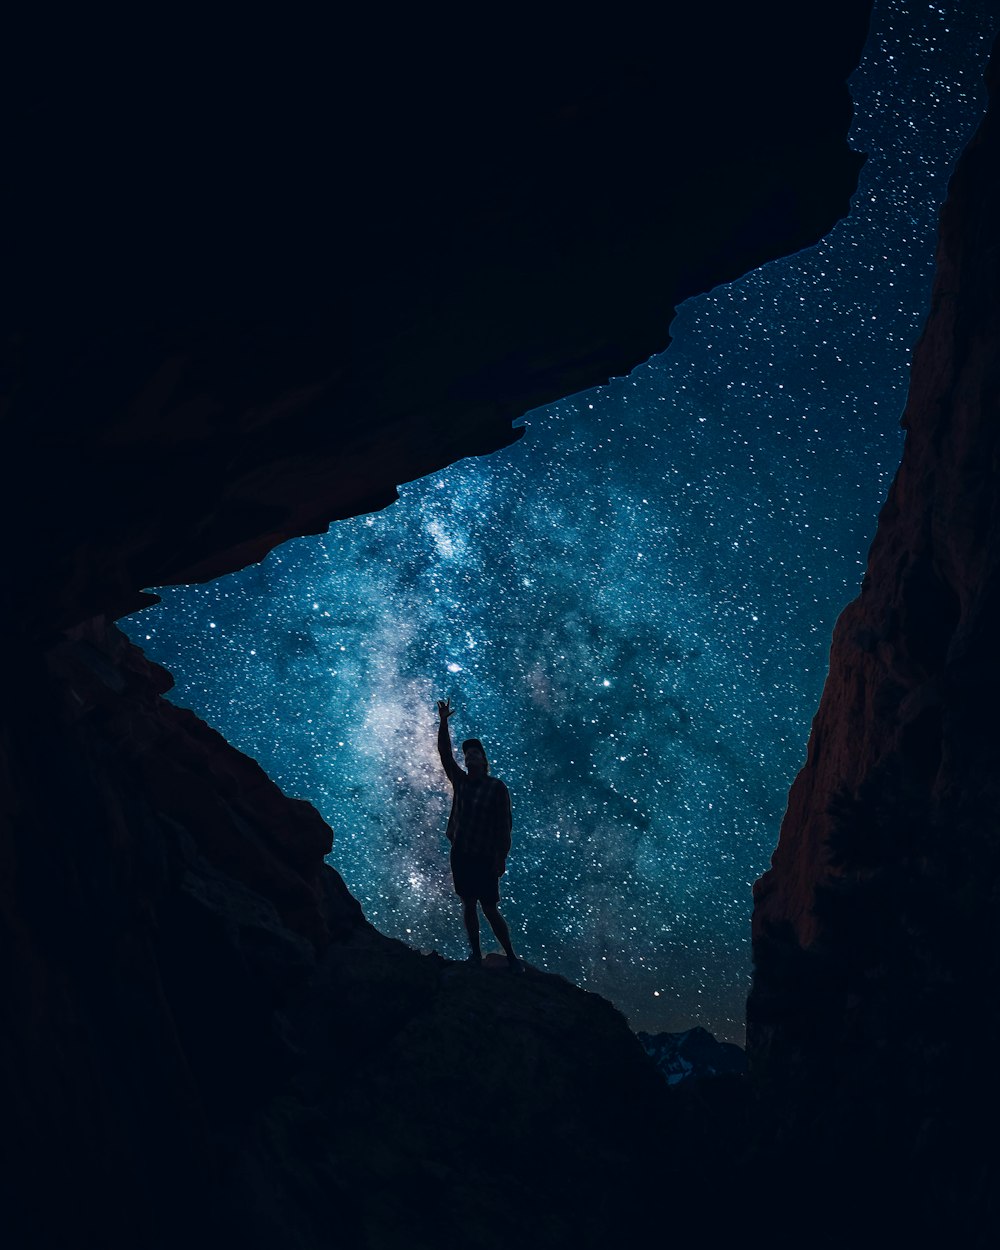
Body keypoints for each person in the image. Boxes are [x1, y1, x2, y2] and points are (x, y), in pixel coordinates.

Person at [436, 698, 523, 972]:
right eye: (468, 754)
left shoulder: (497, 788)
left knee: (489, 907)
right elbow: (444, 754)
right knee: (468, 903)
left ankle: (511, 957)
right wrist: (443, 722)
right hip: (461, 852)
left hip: (485, 856)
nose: (470, 756)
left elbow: (503, 826)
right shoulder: (460, 781)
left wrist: (501, 858)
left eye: (475, 754)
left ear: (484, 761)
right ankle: (475, 956)